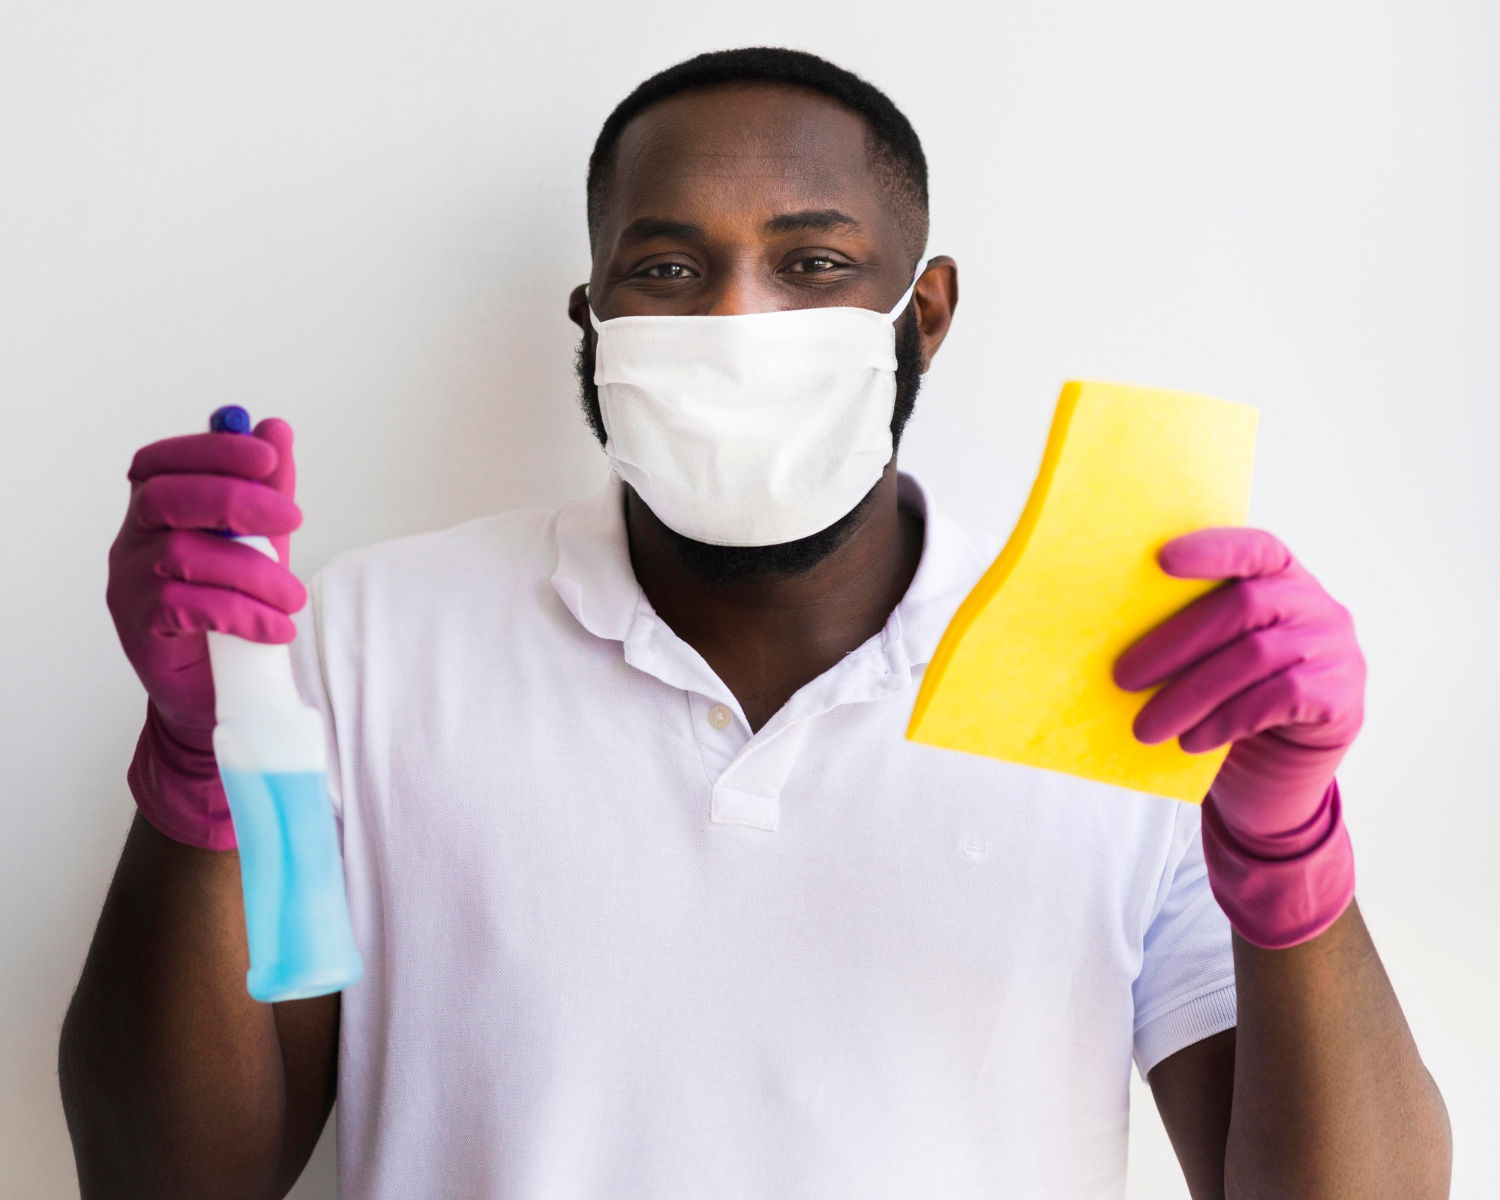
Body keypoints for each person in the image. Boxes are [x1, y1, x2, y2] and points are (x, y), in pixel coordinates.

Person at [61, 46, 1450, 1200]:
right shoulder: (356, 652)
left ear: (929, 311)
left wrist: (1288, 845)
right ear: (591, 315)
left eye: (812, 265)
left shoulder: (1121, 689)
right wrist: (201, 762)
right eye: (668, 271)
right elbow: (174, 1181)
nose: (739, 321)